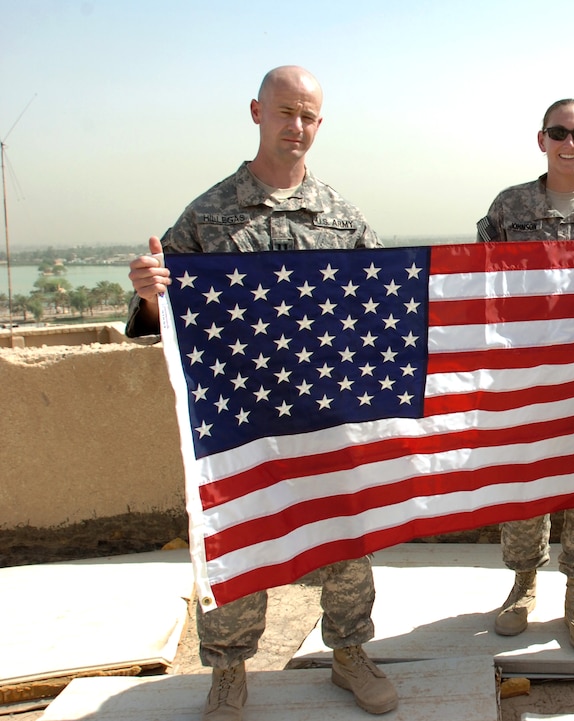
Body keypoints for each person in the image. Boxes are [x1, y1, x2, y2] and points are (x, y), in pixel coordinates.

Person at [126, 66, 398, 719]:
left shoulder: (342, 216)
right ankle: (228, 671)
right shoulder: (210, 215)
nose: (296, 127)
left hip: (324, 419)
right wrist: (148, 294)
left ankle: (350, 654)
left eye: (307, 116)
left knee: (344, 539)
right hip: (242, 421)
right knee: (237, 541)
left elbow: (385, 306)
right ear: (256, 111)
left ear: (319, 124)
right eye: (285, 113)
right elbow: (162, 319)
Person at [476, 98, 574, 651]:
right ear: (541, 139)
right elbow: (479, 281)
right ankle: (523, 584)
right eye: (558, 133)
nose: (569, 143)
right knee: (525, 479)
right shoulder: (510, 206)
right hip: (527, 372)